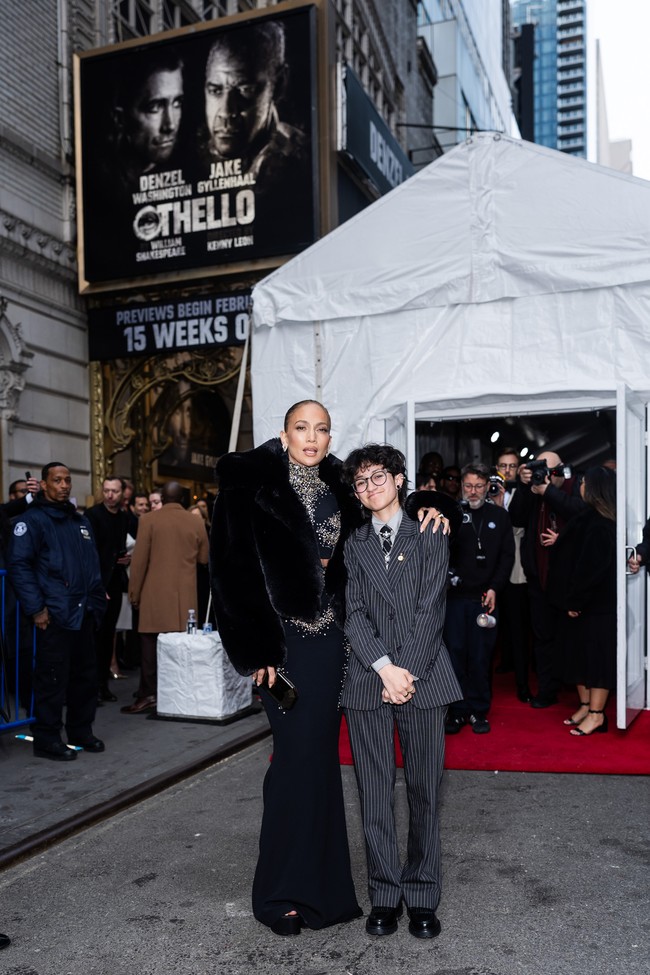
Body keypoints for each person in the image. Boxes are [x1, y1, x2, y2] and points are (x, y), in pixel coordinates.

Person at [211, 400, 452, 937]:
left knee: (320, 764)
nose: (312, 437)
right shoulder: (246, 482)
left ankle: (324, 892)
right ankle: (281, 894)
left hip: (338, 648)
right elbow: (230, 572)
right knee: (293, 765)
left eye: (321, 429)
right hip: (284, 648)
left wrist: (432, 505)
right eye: (302, 428)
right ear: (284, 432)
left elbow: (385, 499)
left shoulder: (341, 484)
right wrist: (255, 652)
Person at [340, 444, 461, 940]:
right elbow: (353, 613)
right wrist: (386, 668)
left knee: (424, 792)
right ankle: (385, 895)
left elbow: (432, 607)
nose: (370, 488)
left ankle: (424, 894)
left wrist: (405, 670)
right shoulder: (353, 544)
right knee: (373, 793)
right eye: (360, 482)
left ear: (399, 477)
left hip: (424, 678)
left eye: (377, 477)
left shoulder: (430, 531)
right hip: (370, 681)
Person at [8, 463, 107, 761]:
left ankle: (80, 731)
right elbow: (19, 566)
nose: (64, 485)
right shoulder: (31, 520)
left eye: (67, 480)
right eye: (57, 480)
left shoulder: (79, 521)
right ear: (45, 484)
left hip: (85, 611)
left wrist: (97, 593)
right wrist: (36, 608)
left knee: (85, 677)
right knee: (51, 679)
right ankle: (47, 738)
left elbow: (90, 563)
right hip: (54, 614)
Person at [122, 482, 208, 714]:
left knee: (149, 647)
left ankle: (149, 694)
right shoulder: (196, 521)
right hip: (185, 596)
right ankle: (181, 693)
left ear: (163, 497)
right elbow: (203, 558)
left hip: (154, 593)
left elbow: (139, 561)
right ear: (181, 498)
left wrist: (134, 593)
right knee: (183, 646)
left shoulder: (148, 520)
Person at [508, 450, 585, 708]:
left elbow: (579, 513)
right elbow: (516, 517)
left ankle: (578, 693)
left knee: (571, 639)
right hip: (537, 578)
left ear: (561, 469)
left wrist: (548, 491)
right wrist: (525, 486)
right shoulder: (532, 490)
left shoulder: (574, 486)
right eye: (541, 470)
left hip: (568, 581)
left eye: (549, 471)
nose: (545, 477)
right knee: (542, 638)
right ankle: (547, 690)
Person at [443, 463, 514, 734]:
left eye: (479, 486)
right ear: (462, 486)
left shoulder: (499, 516)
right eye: (468, 486)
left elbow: (507, 556)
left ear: (488, 487)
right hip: (455, 598)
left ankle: (478, 710)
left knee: (481, 657)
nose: (473, 491)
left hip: (486, 599)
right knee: (455, 655)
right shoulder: (452, 515)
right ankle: (458, 710)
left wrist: (496, 587)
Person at [547, 467, 617, 736]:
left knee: (597, 661)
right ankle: (586, 706)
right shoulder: (587, 516)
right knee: (579, 658)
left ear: (597, 488)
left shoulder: (601, 522)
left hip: (595, 607)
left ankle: (598, 715)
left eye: (585, 482)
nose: (580, 486)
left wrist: (576, 600)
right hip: (578, 603)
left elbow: (592, 568)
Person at [491, 448, 532, 702]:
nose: (506, 471)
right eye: (502, 466)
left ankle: (523, 684)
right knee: (495, 625)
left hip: (517, 570)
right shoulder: (485, 491)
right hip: (490, 571)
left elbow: (518, 523)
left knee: (518, 628)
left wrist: (500, 509)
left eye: (511, 466)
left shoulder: (525, 494)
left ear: (518, 468)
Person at [86, 477, 130, 703]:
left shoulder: (123, 517)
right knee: (94, 638)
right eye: (106, 490)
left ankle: (103, 685)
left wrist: (124, 559)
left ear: (122, 493)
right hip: (97, 584)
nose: (110, 495)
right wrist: (96, 586)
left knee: (107, 637)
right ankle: (92, 688)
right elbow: (88, 553)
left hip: (114, 582)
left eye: (114, 491)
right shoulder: (92, 516)